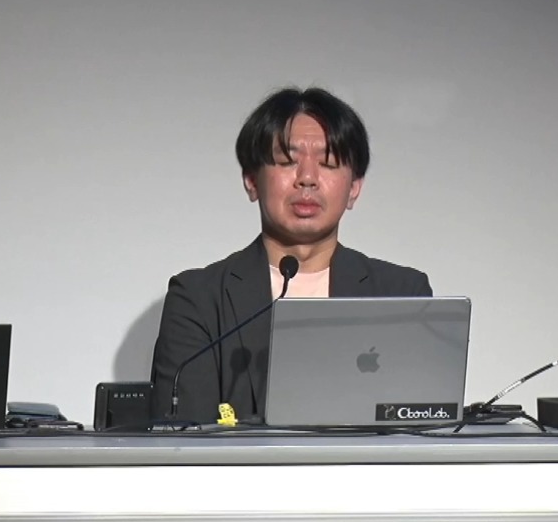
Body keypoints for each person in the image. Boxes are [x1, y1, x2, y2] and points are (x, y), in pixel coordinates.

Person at [150, 86, 432, 423]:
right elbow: (182, 435)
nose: (307, 179)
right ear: (252, 181)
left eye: (328, 163)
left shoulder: (403, 294)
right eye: (287, 161)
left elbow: (421, 430)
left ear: (354, 188)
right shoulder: (198, 299)